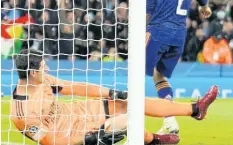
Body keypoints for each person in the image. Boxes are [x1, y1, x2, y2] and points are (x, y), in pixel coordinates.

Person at [11, 49, 219, 145]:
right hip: (72, 133)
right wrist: (87, 140)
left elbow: (76, 88)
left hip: (79, 111)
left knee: (132, 100)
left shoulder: (42, 80)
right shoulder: (21, 114)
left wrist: (111, 93)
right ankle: (152, 140)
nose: (46, 67)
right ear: (31, 72)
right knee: (125, 122)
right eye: (42, 66)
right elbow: (49, 141)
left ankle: (195, 109)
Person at [146, 0, 212, 134]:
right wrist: (204, 8)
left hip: (158, 31)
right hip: (179, 35)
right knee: (160, 76)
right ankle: (170, 120)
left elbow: (147, 11)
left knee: (134, 74)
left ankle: (122, 120)